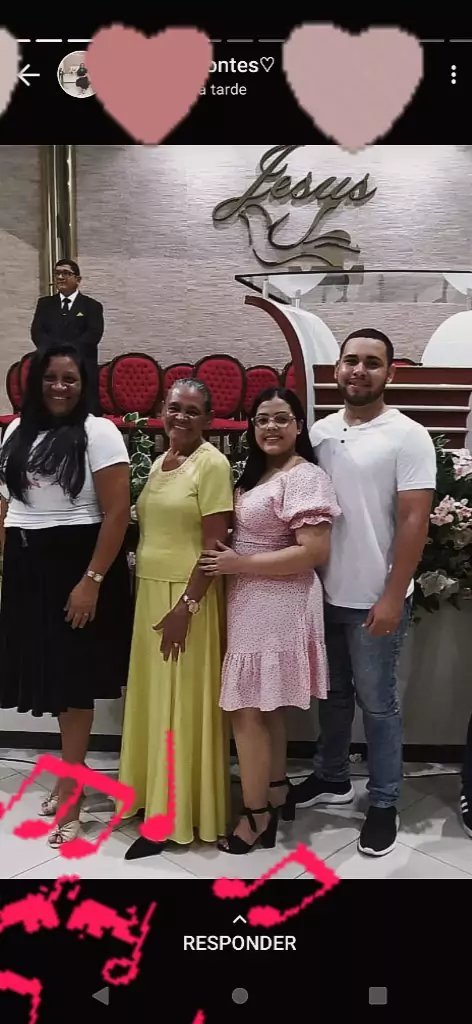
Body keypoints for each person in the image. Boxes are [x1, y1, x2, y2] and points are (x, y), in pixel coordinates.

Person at [292, 328, 436, 857]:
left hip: (376, 596)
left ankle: (384, 800)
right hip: (322, 592)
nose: (359, 370)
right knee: (331, 697)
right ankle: (331, 775)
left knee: (378, 705)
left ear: (389, 373)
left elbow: (415, 519)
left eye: (372, 363)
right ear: (336, 369)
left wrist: (393, 595)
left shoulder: (408, 435)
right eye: (350, 360)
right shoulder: (320, 432)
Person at [0, 344, 132, 848]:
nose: (60, 387)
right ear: (35, 382)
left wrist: (92, 580)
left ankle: (74, 795)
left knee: (73, 685)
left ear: (84, 383)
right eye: (51, 377)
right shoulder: (17, 430)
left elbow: (117, 513)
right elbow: (5, 503)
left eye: (70, 379)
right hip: (27, 565)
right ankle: (67, 774)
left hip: (76, 565)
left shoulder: (100, 432)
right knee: (52, 680)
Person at [200, 388, 341, 855]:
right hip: (252, 596)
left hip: (278, 598)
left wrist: (239, 564)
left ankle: (256, 813)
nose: (271, 427)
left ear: (299, 426)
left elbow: (313, 552)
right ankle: (276, 790)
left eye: (282, 419)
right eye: (262, 419)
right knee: (266, 706)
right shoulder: (260, 473)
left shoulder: (305, 476)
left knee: (246, 709)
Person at [119, 379, 234, 860]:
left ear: (207, 418)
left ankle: (177, 814)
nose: (180, 417)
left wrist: (186, 608)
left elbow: (214, 548)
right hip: (152, 593)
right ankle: (153, 798)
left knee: (181, 706)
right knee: (156, 702)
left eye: (191, 410)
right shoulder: (159, 461)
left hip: (187, 600)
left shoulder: (212, 464)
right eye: (173, 408)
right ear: (161, 411)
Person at [31, 260, 103, 414]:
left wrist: (68, 354)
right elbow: (37, 333)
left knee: (85, 416)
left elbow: (93, 335)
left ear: (78, 279)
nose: (60, 277)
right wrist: (54, 354)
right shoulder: (45, 304)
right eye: (57, 273)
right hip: (50, 366)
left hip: (82, 368)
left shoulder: (92, 306)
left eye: (66, 273)